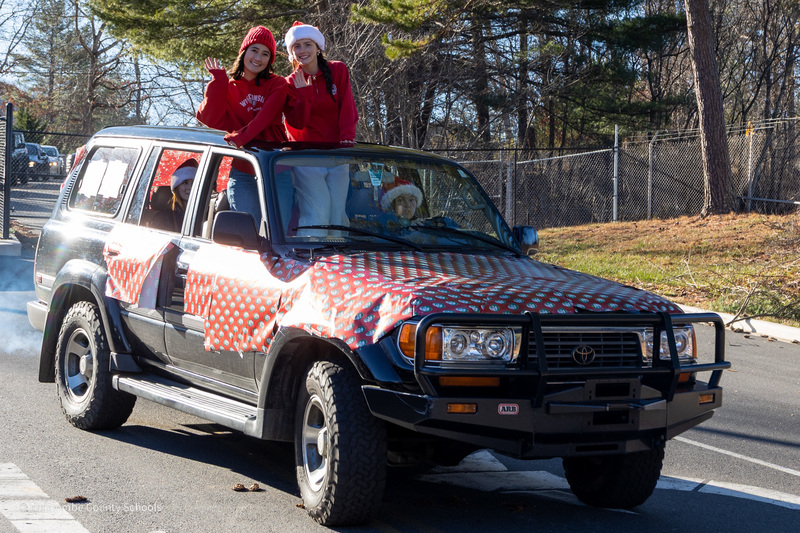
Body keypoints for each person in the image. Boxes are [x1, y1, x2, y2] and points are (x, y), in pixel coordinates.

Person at [196, 25, 288, 222]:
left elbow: (265, 118)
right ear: (244, 51)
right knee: (249, 231)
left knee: (281, 230)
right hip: (243, 170)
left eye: (265, 54)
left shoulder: (277, 83)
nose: (258, 58)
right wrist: (219, 82)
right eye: (254, 50)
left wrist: (240, 137)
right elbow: (209, 118)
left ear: (270, 60)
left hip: (277, 169)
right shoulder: (230, 87)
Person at [283, 21, 358, 236]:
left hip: (338, 154)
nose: (303, 51)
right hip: (307, 157)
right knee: (318, 211)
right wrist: (304, 94)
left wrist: (346, 142)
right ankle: (310, 257)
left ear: (318, 47)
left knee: (337, 217)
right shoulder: (290, 82)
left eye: (307, 44)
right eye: (297, 46)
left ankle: (339, 261)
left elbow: (348, 109)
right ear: (291, 52)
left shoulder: (338, 70)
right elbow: (295, 125)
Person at [150, 160, 198, 232]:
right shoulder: (163, 218)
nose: (190, 187)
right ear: (177, 187)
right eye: (185, 183)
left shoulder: (204, 214)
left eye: (193, 183)